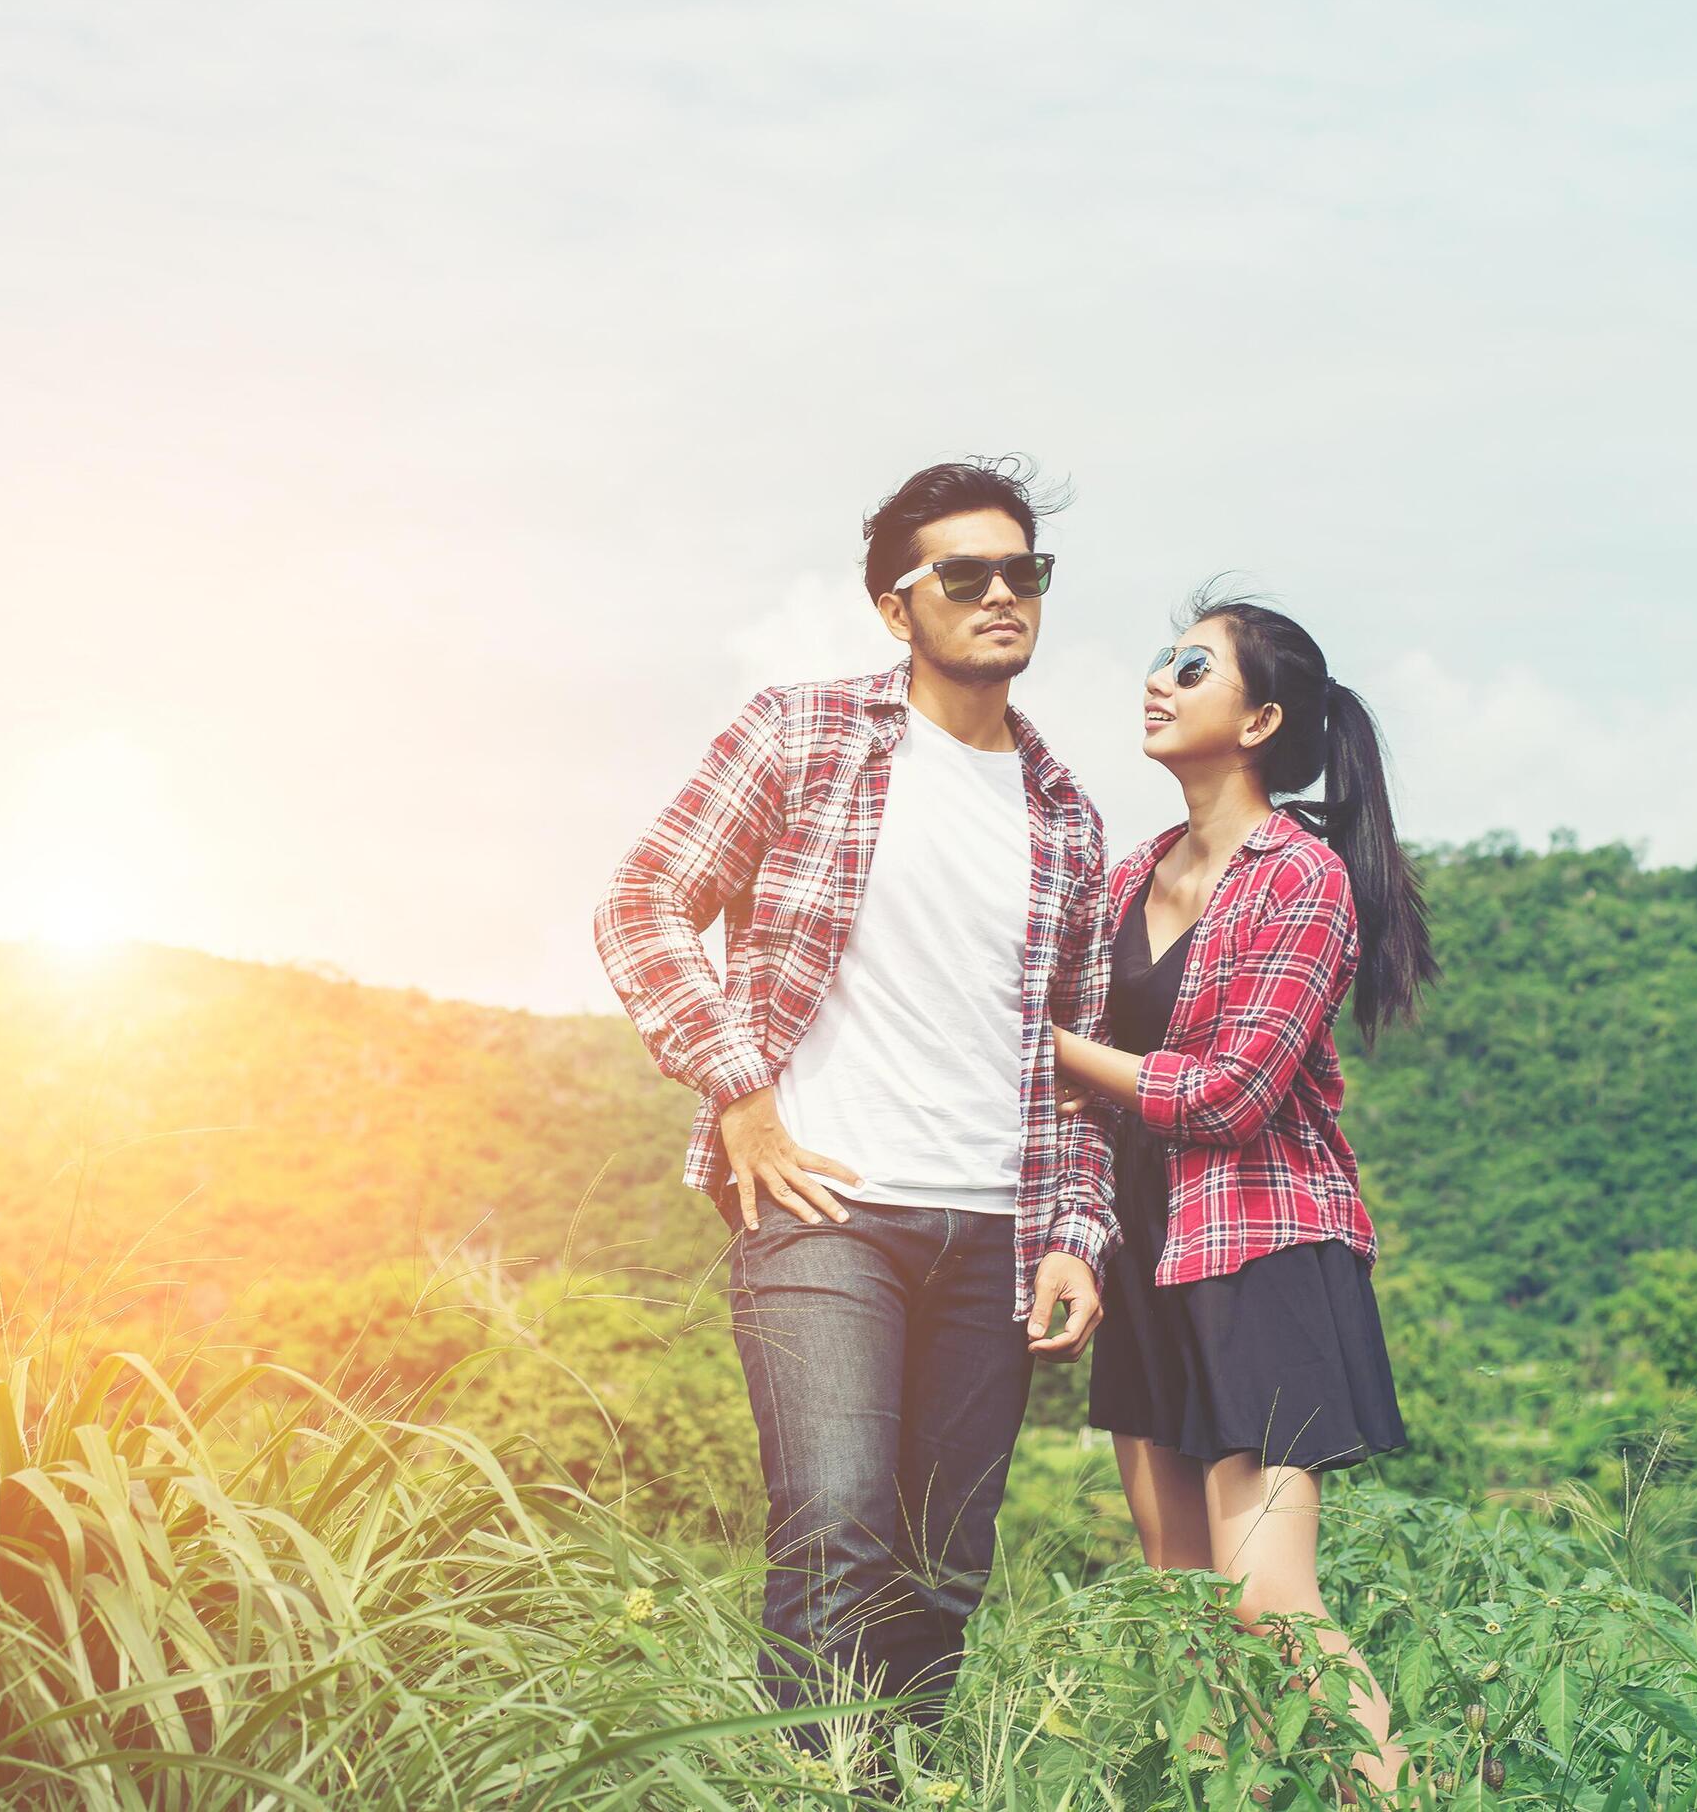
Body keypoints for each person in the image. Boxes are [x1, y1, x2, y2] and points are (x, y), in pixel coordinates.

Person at [593, 458, 1117, 1743]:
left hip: (996, 1231)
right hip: (826, 1210)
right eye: (966, 574)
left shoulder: (1068, 819)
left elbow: (1079, 1053)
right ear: (898, 607)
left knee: (941, 1572)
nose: (1002, 595)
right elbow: (643, 902)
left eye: (1023, 572)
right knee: (836, 1523)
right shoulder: (803, 730)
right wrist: (740, 1093)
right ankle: (811, 1784)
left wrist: (1073, 1233)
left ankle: (900, 1784)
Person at [1051, 588, 1439, 1797]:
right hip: (1149, 1258)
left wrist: (1044, 1040)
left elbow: (1229, 1097)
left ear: (1261, 716)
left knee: (1271, 1603)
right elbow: (1085, 1095)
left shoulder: (1303, 879)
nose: (1156, 681)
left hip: (1263, 1256)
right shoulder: (1125, 877)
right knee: (1185, 1613)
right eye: (1161, 661)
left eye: (1191, 667)